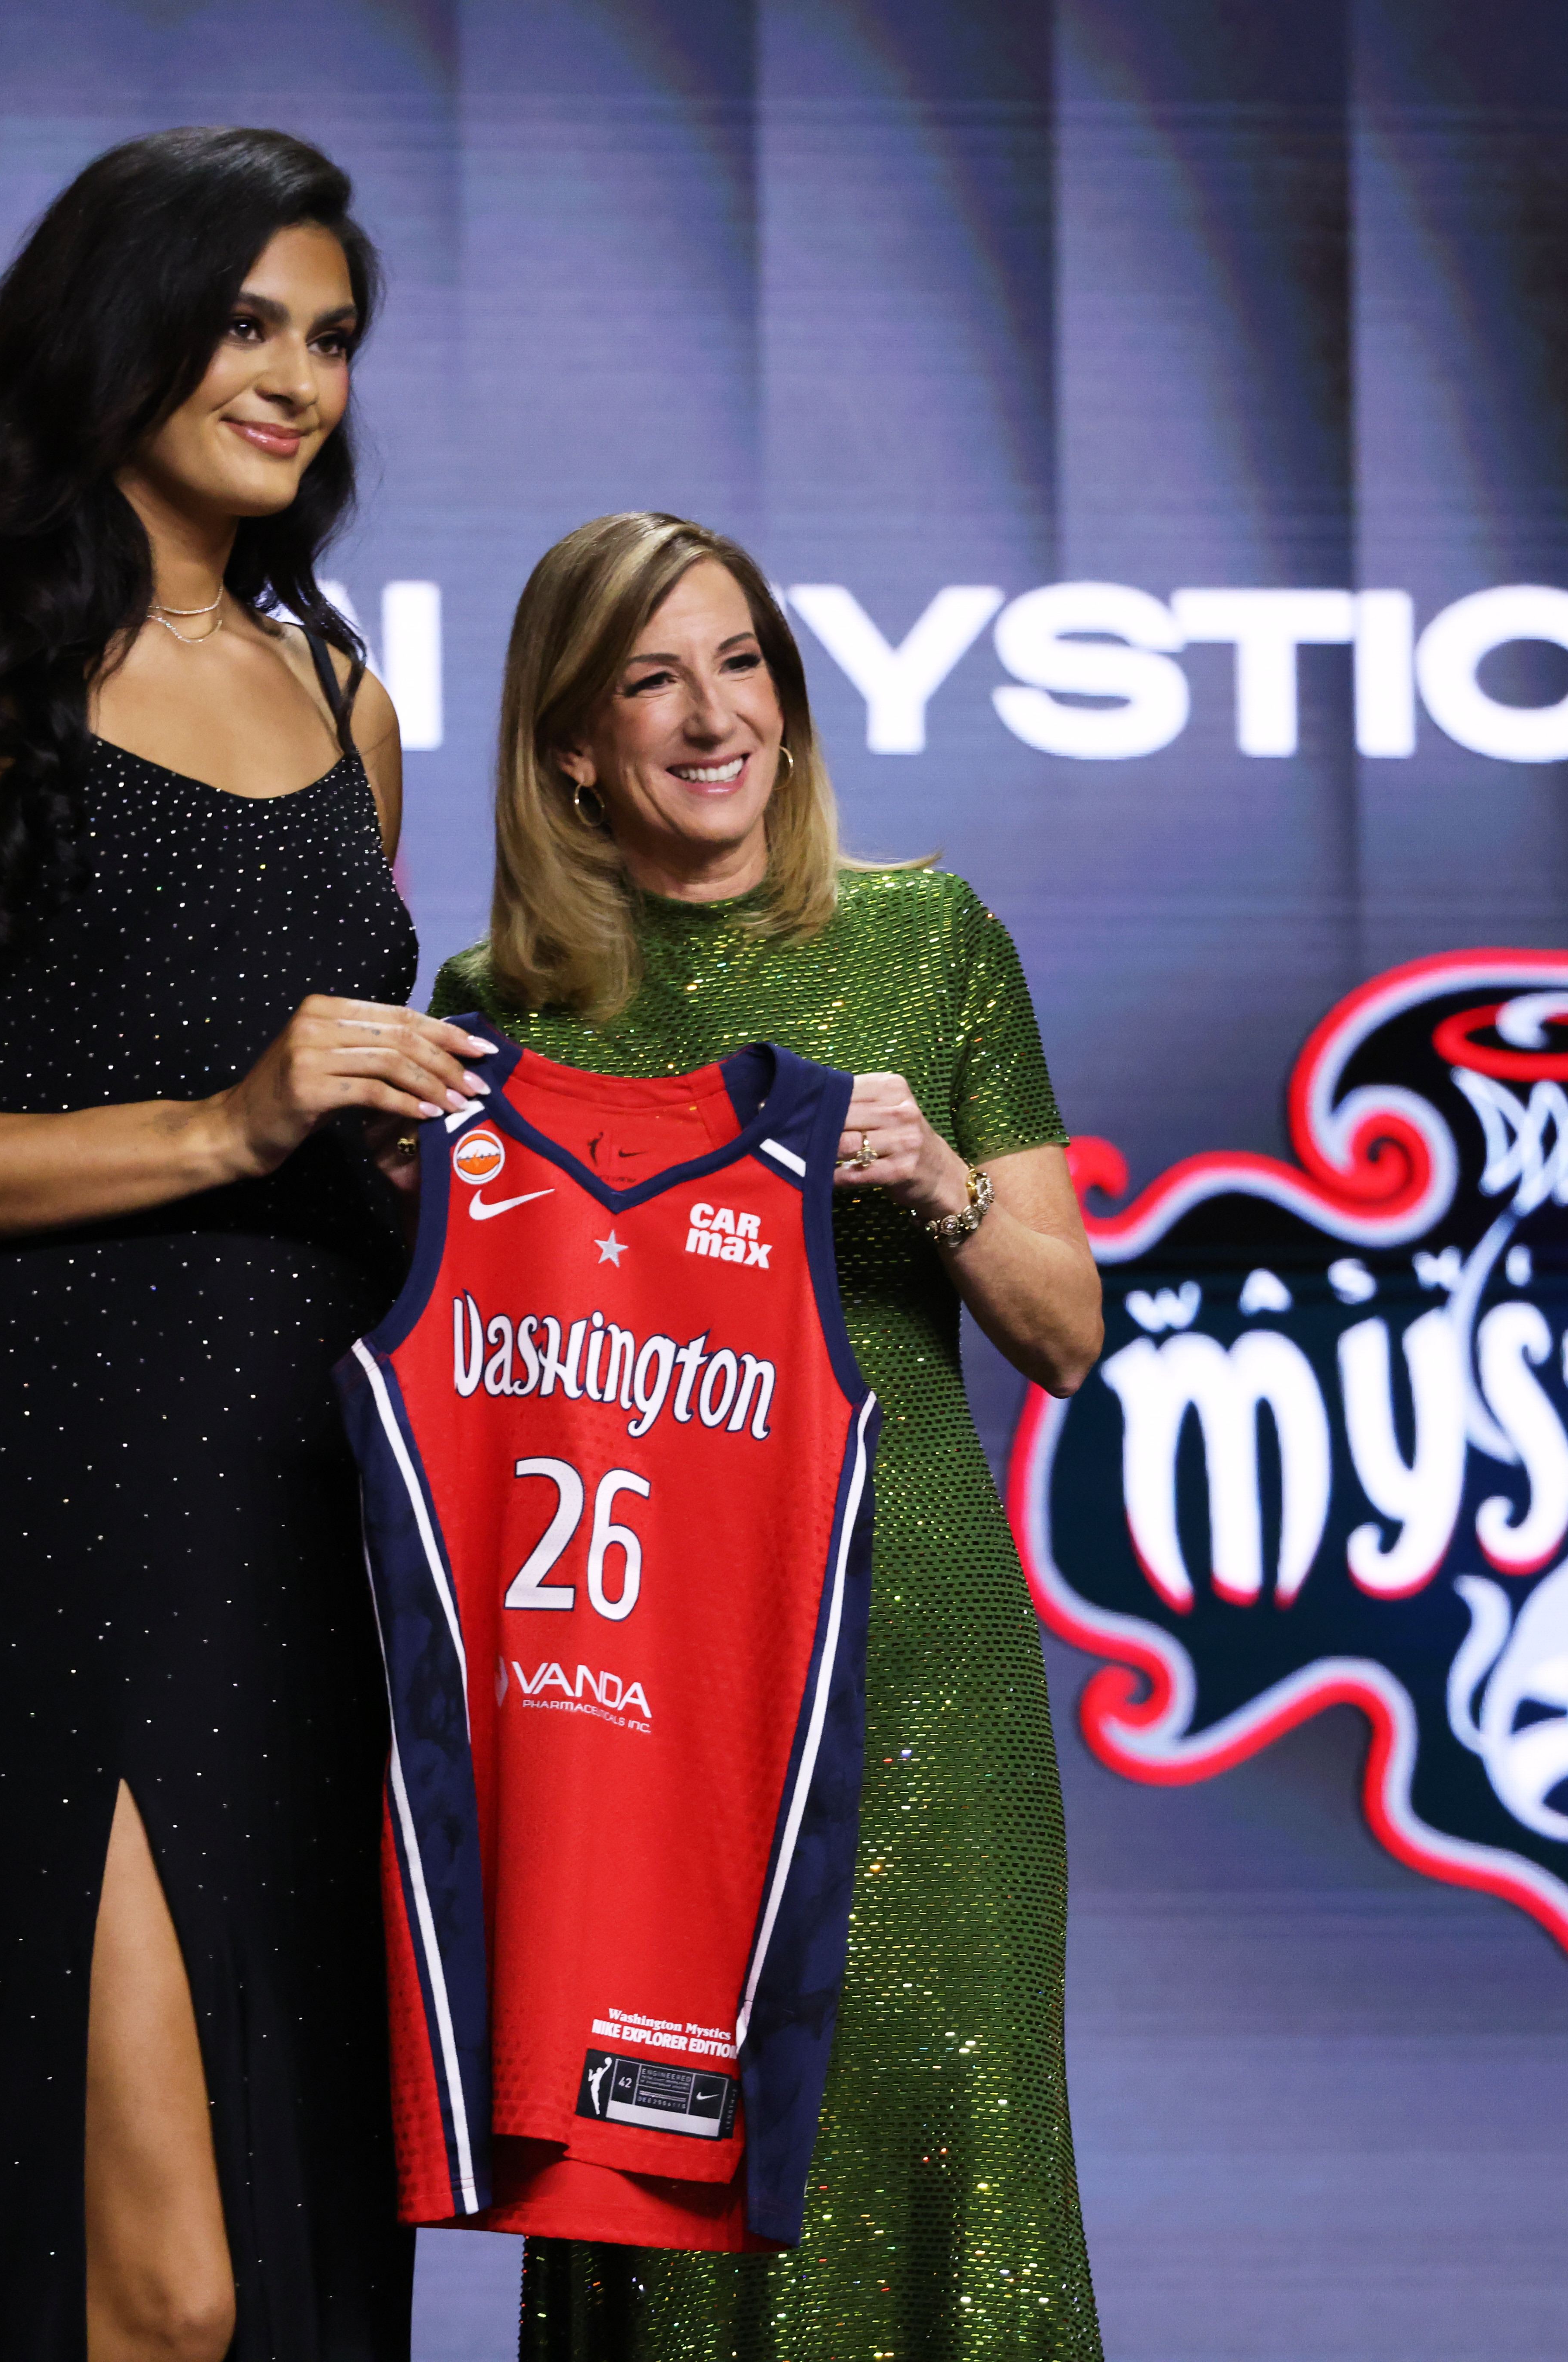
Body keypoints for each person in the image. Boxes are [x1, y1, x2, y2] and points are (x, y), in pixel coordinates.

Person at [0, 127, 485, 2362]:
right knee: (151, 2273)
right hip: (56, 1474)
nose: (297, 380)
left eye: (329, 337)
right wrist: (218, 1122)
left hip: (315, 1498)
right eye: (245, 323)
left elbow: (342, 1136)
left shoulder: (342, 697)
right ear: (112, 325)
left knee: (298, 2236)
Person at [431, 513, 1108, 2360]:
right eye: (650, 680)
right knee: (659, 2157)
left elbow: (1067, 1336)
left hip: (915, 1667)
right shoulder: (494, 1011)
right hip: (635, 1682)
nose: (710, 715)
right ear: (573, 746)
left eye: (740, 665)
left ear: (790, 708)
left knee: (949, 2144)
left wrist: (945, 1184)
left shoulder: (929, 939)